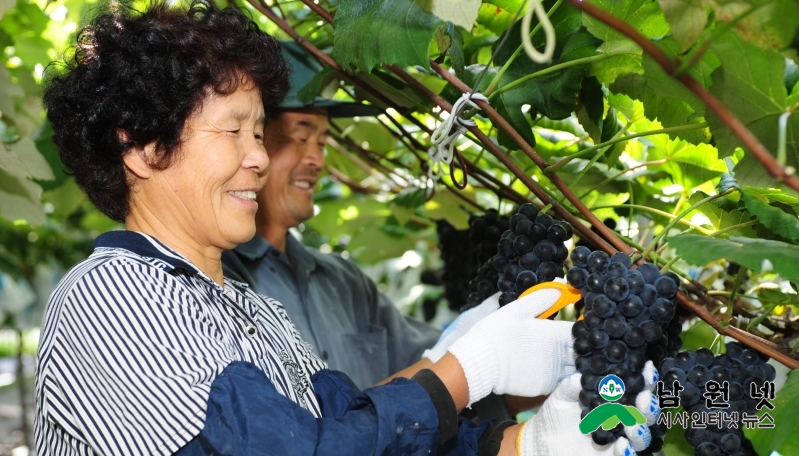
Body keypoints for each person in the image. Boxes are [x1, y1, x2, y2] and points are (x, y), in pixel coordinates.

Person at [34, 2, 653, 455]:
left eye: (259, 132)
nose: (257, 155)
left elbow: (355, 430)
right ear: (141, 148)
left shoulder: (252, 311)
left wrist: (530, 444)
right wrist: (471, 367)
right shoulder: (109, 299)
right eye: (233, 130)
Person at [221, 42, 442, 390]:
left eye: (321, 143)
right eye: (300, 137)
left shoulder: (347, 283)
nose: (317, 160)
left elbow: (438, 360)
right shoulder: (216, 279)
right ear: (253, 141)